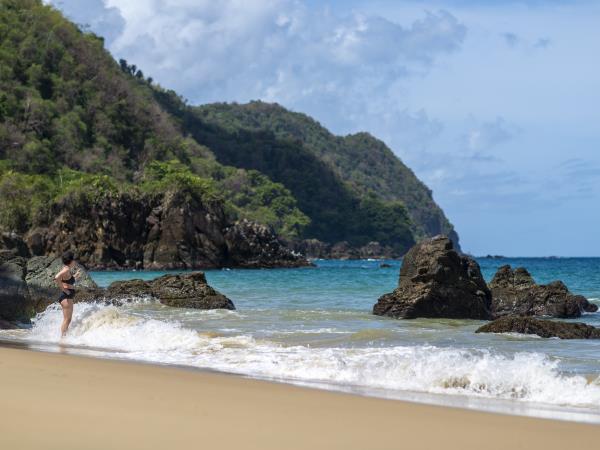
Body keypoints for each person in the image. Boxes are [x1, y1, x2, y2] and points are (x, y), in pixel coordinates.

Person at [54, 251, 80, 337]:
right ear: (71, 261)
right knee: (67, 320)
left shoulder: (66, 268)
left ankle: (64, 337)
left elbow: (66, 281)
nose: (75, 261)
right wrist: (64, 290)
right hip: (66, 296)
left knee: (67, 319)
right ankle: (62, 339)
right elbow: (57, 277)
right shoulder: (66, 269)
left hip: (67, 296)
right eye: (74, 259)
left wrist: (75, 276)